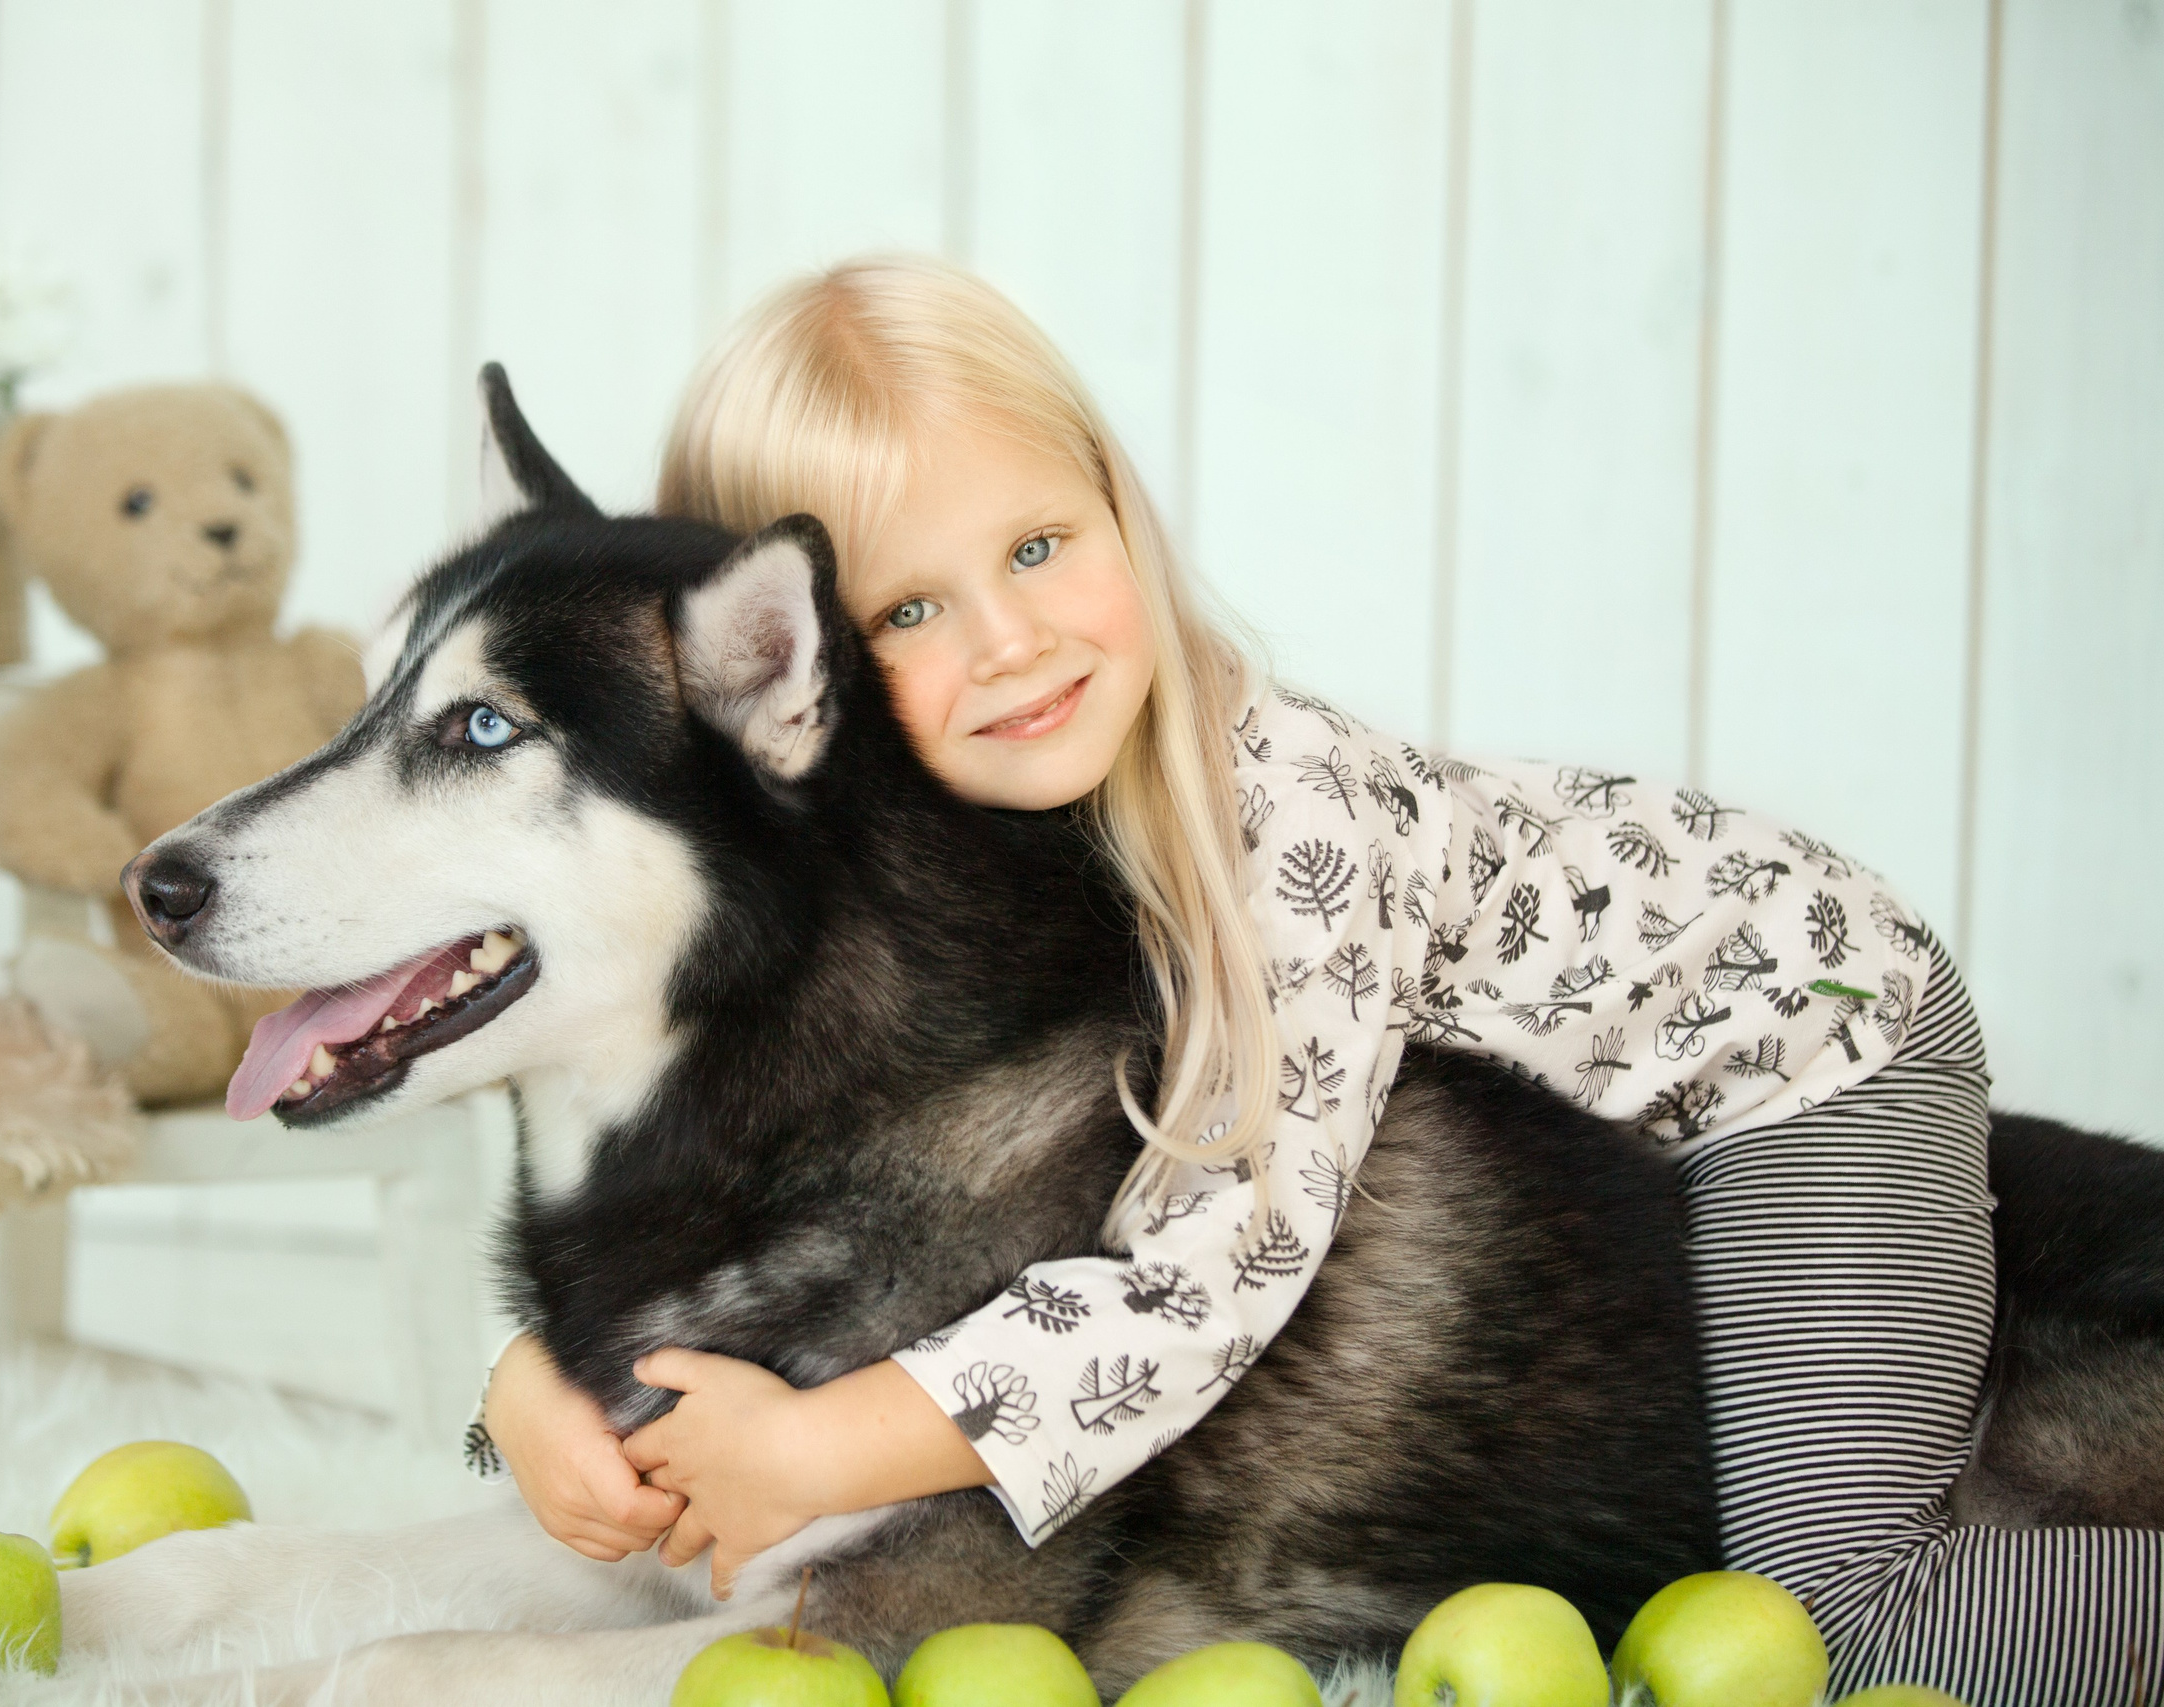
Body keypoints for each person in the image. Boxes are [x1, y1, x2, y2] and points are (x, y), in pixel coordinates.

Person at [474, 255, 2161, 1702]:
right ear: (796, 682)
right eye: (911, 607)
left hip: (1807, 1041)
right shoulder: (948, 884)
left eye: (1042, 546)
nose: (1011, 641)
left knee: (1846, 1611)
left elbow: (1212, 1284)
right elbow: (725, 1198)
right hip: (1635, 1118)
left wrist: (825, 1451)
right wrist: (528, 1394)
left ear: (1118, 504)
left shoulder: (1282, 834)